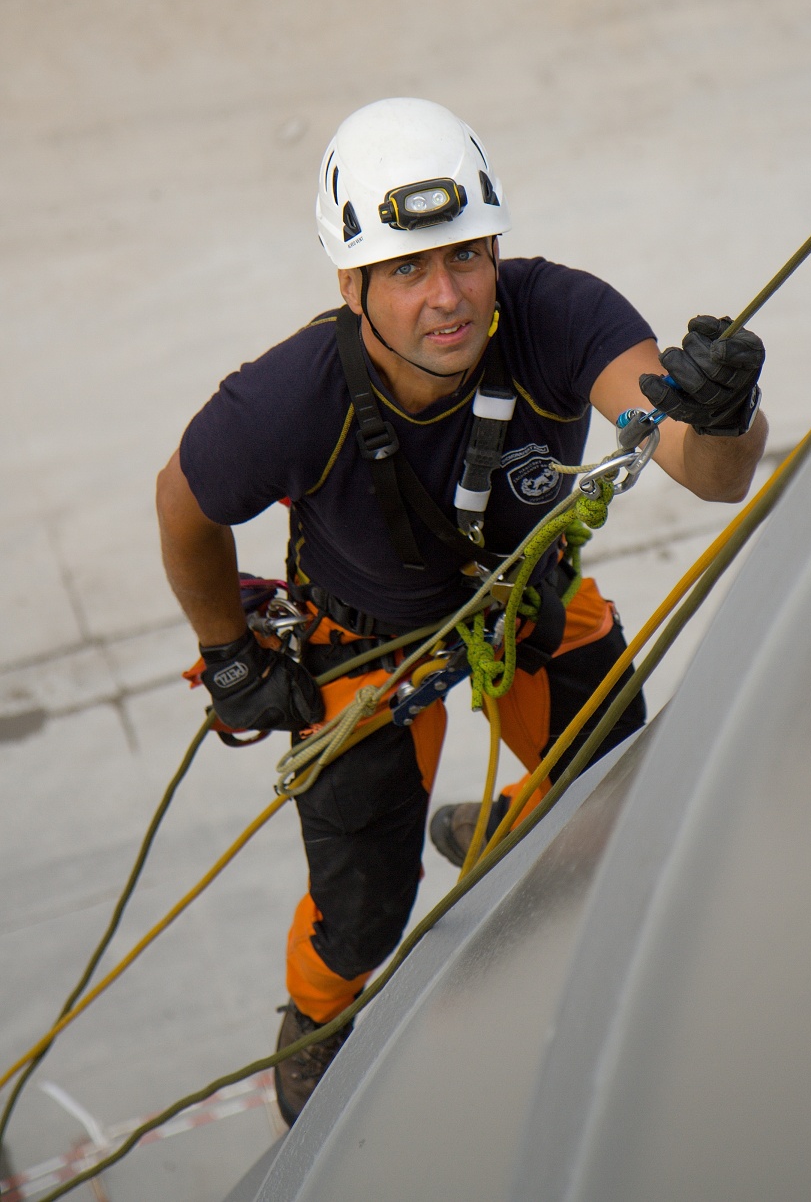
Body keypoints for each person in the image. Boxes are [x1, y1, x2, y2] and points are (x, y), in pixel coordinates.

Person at [155, 97, 767, 1125]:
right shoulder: (290, 399)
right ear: (348, 282)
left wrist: (723, 415)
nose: (446, 297)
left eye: (466, 255)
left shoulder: (557, 319)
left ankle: (503, 828)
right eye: (405, 269)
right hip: (365, 648)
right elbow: (183, 502)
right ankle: (310, 1026)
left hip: (526, 605)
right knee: (358, 916)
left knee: (619, 802)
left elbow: (707, 474)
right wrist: (226, 652)